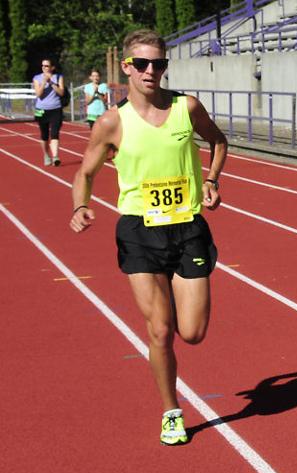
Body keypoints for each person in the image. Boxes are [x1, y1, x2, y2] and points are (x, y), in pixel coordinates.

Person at [69, 29, 227, 444]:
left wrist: (210, 179)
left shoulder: (186, 107)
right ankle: (171, 411)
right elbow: (84, 172)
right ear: (127, 68)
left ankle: (173, 301)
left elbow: (219, 141)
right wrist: (79, 205)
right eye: (142, 64)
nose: (151, 71)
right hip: (139, 231)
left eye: (158, 63)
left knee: (191, 333)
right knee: (159, 331)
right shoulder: (111, 122)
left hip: (188, 228)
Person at [33, 57, 66, 166]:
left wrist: (51, 83)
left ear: (52, 67)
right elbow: (38, 94)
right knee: (44, 135)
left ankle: (55, 156)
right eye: (43, 65)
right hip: (41, 109)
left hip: (56, 109)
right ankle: (46, 155)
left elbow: (61, 93)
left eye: (46, 66)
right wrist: (44, 82)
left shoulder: (59, 77)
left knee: (55, 133)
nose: (44, 67)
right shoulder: (37, 78)